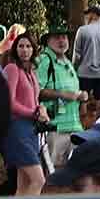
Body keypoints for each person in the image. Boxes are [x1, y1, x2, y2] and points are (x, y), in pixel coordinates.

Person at [2, 33, 49, 196]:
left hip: (31, 130)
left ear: (33, 50)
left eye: (28, 46)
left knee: (24, 184)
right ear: (15, 49)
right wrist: (33, 113)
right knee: (39, 180)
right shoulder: (12, 69)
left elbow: (34, 100)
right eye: (21, 46)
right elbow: (10, 102)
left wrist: (41, 110)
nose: (24, 50)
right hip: (17, 130)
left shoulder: (31, 72)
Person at [35, 27, 87, 172]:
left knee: (77, 174)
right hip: (54, 128)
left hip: (75, 127)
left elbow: (73, 92)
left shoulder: (67, 62)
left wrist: (81, 97)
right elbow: (35, 91)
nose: (62, 41)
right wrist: (62, 94)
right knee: (51, 177)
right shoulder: (44, 61)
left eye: (64, 37)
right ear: (47, 41)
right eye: (57, 37)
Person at [73, 4, 100, 100]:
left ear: (92, 15)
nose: (85, 17)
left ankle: (82, 115)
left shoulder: (83, 30)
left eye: (86, 15)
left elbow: (77, 54)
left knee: (83, 100)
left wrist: (73, 68)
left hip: (84, 73)